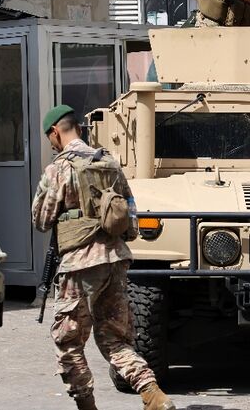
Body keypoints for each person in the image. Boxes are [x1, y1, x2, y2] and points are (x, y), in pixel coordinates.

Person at [31, 104, 175, 410]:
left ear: (55, 132)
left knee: (68, 341)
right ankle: (152, 394)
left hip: (79, 265)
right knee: (115, 339)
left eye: (50, 139)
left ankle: (86, 404)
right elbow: (131, 212)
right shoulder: (108, 162)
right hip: (116, 260)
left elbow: (41, 220)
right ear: (78, 128)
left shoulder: (58, 168)